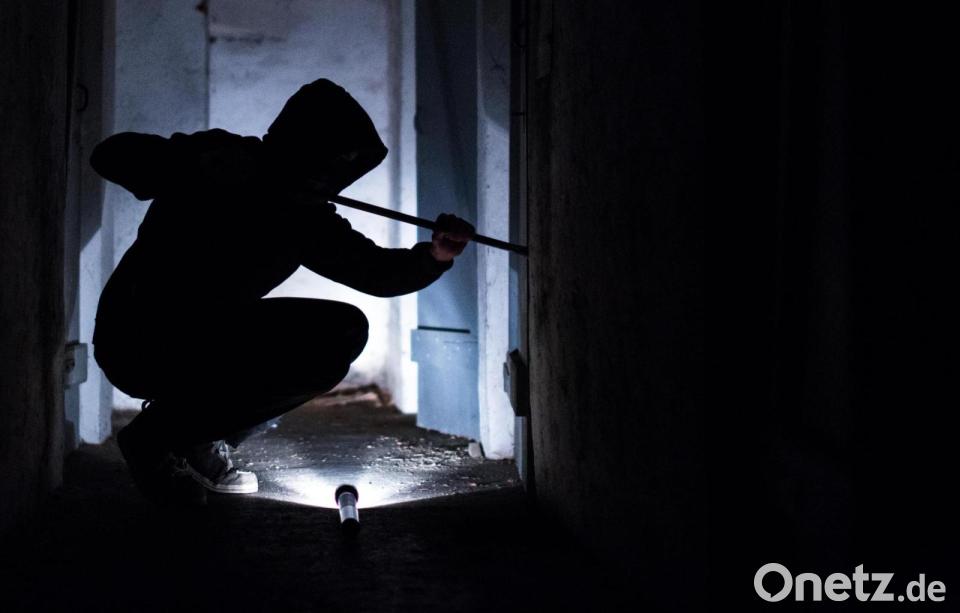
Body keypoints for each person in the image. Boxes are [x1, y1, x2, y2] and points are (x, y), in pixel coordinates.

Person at [91, 78, 474, 506]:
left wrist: (436, 255)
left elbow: (377, 273)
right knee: (279, 337)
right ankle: (155, 438)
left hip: (209, 340)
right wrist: (196, 162)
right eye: (330, 161)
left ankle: (194, 434)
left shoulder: (304, 217)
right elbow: (109, 156)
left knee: (341, 331)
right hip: (136, 335)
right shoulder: (221, 161)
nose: (331, 178)